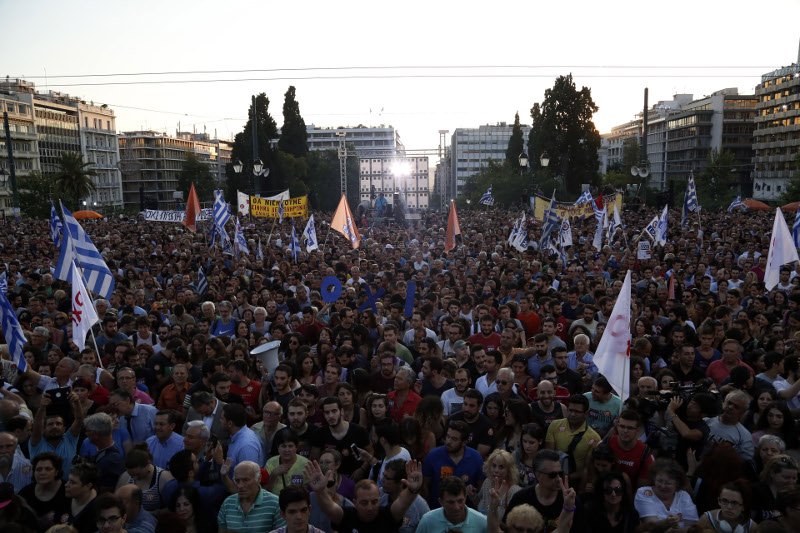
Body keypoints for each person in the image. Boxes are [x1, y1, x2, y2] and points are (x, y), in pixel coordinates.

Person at [304, 458, 423, 531]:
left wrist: (412, 490)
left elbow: (403, 502)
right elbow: (329, 507)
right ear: (355, 502)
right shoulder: (346, 517)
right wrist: (320, 491)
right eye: (364, 503)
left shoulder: (389, 515)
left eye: (374, 502)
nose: (370, 507)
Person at [503, 449, 577, 532]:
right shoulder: (521, 498)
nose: (558, 478)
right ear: (537, 475)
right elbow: (506, 528)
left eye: (560, 474)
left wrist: (569, 507)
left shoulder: (571, 500)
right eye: (552, 475)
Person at [421, 420, 484, 509]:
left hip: (466, 512)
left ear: (464, 442)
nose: (448, 441)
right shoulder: (433, 456)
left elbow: (481, 487)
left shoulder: (476, 457)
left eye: (454, 439)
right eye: (448, 436)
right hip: (438, 510)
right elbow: (425, 486)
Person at [545, 394, 600, 484]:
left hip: (575, 482)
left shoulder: (594, 438)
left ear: (586, 414)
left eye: (577, 411)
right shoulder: (554, 425)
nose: (572, 414)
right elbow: (549, 455)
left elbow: (587, 469)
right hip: (553, 478)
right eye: (570, 410)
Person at [310, 397, 370, 477]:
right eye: (327, 413)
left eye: (334, 411)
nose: (331, 416)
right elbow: (314, 459)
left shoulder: (359, 431)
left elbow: (371, 452)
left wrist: (361, 469)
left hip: (356, 478)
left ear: (341, 411)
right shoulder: (319, 434)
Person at [218, 460, 285, 532]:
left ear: (259, 479)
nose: (240, 485)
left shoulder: (275, 503)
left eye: (245, 480)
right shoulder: (228, 503)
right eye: (237, 481)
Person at [634, 458, 698, 531]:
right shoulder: (644, 493)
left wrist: (673, 526)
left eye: (668, 483)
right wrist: (668, 522)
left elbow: (692, 524)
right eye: (659, 481)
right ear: (654, 478)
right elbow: (651, 524)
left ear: (677, 484)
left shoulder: (683, 495)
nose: (663, 486)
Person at [572, 471, 639, 533]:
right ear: (602, 492)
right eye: (608, 490)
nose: (613, 494)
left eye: (617, 490)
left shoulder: (631, 514)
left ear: (623, 492)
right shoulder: (590, 512)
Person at [416, 476, 488, 533]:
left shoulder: (482, 522)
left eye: (460, 501)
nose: (456, 507)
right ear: (441, 502)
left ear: (465, 498)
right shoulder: (427, 521)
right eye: (451, 502)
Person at [18, 452, 68, 532]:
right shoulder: (26, 493)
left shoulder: (68, 491)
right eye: (38, 469)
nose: (42, 473)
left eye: (48, 469)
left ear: (57, 472)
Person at [378, 459, 429, 533]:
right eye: (383, 475)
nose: (382, 480)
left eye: (387, 478)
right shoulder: (379, 495)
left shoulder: (420, 505)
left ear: (400, 483)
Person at [607, 410, 654, 487]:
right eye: (622, 426)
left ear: (637, 430)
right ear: (617, 426)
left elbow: (641, 489)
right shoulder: (608, 442)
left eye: (630, 428)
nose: (625, 431)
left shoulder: (645, 453)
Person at [475, 449, 522, 523]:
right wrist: (472, 496)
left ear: (509, 470)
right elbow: (479, 504)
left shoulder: (514, 491)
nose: (496, 470)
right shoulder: (487, 482)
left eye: (501, 467)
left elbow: (514, 524)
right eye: (494, 466)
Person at [751, 454, 799, 522]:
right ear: (772, 473)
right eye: (786, 478)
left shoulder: (795, 495)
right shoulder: (756, 491)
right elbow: (750, 520)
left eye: (794, 478)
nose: (791, 482)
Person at [265, 431, 309, 496]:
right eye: (283, 446)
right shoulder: (270, 463)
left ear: (296, 447)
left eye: (290, 446)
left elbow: (309, 491)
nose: (287, 450)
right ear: (278, 447)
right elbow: (265, 492)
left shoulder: (306, 464)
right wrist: (274, 474)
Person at [64, 462, 99, 532]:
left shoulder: (97, 509)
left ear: (88, 486)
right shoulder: (65, 496)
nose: (66, 485)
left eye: (72, 482)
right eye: (68, 480)